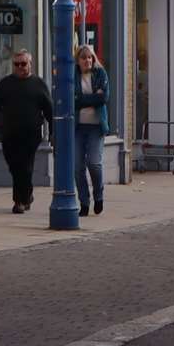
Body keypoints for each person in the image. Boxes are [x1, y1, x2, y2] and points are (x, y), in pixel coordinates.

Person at [0, 50, 53, 214]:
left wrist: (53, 132)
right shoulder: (6, 83)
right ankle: (27, 194)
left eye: (24, 64)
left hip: (31, 134)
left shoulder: (39, 84)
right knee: (14, 166)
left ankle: (19, 201)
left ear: (30, 64)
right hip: (10, 133)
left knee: (25, 166)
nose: (20, 67)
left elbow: (49, 109)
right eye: (17, 64)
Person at [73, 45, 110, 217]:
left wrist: (82, 100)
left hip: (96, 127)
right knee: (77, 166)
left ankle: (99, 195)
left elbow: (103, 98)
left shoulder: (100, 73)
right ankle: (84, 202)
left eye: (90, 57)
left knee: (94, 163)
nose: (87, 60)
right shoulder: (73, 75)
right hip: (78, 127)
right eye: (84, 58)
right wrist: (92, 98)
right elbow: (73, 100)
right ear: (78, 60)